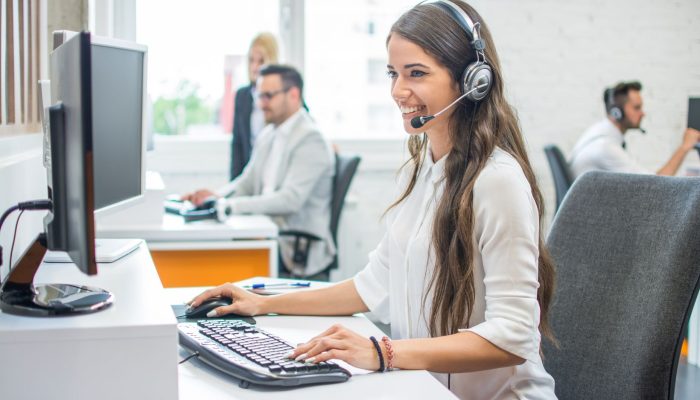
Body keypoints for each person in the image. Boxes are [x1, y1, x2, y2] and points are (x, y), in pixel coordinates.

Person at [189, 1, 557, 398]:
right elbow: (370, 286)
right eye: (393, 74)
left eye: (416, 73)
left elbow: (514, 335)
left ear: (472, 81)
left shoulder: (497, 181)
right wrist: (262, 303)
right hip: (427, 389)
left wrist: (382, 352)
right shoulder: (428, 169)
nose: (398, 91)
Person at [183, 64, 336, 278]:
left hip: (294, 249)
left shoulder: (310, 139)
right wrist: (217, 196)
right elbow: (246, 181)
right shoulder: (269, 133)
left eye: (268, 96)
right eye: (259, 96)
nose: (261, 104)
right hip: (268, 233)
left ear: (293, 94)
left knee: (216, 264)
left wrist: (229, 206)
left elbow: (289, 200)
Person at [569, 81, 700, 178]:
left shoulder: (598, 133)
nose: (643, 113)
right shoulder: (605, 147)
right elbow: (656, 185)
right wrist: (684, 147)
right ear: (617, 113)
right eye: (637, 108)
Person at [230, 32, 279, 181]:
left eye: (261, 61)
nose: (255, 67)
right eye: (251, 60)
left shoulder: (283, 95)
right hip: (249, 176)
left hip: (274, 176)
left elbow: (304, 124)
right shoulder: (242, 96)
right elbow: (237, 146)